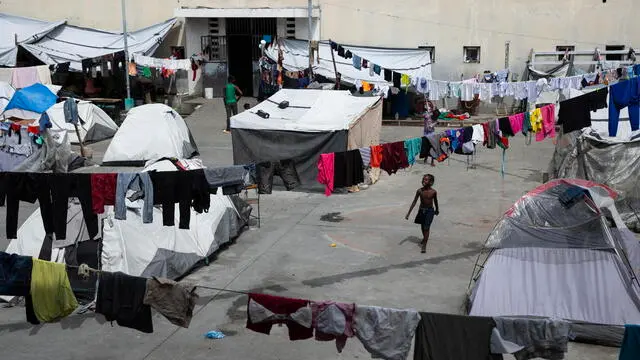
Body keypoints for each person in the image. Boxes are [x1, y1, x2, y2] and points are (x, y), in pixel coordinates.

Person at [405, 174, 439, 253]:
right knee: (422, 226)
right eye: (423, 179)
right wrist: (408, 213)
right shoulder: (419, 191)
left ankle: (424, 245)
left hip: (430, 211)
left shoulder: (433, 192)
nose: (424, 181)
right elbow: (414, 202)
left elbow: (436, 201)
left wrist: (437, 210)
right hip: (421, 210)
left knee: (426, 227)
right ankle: (424, 238)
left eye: (426, 180)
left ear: (431, 182)